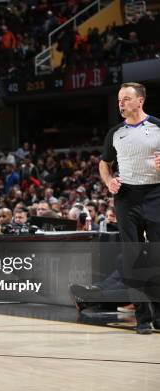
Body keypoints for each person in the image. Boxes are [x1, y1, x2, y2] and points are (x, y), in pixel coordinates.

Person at [99, 82, 160, 334]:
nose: (121, 103)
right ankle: (143, 318)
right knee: (133, 258)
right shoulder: (115, 132)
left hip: (156, 193)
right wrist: (109, 180)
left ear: (140, 101)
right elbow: (104, 163)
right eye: (119, 99)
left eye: (125, 99)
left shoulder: (158, 126)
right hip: (126, 198)